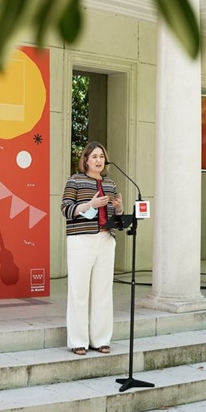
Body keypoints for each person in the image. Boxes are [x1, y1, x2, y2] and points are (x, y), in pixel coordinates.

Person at [61, 141, 123, 355]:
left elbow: (115, 219)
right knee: (79, 291)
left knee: (103, 291)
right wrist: (90, 205)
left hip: (106, 240)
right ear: (86, 160)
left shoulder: (110, 184)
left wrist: (119, 209)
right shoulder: (75, 181)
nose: (99, 160)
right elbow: (66, 210)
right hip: (81, 240)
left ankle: (101, 339)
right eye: (94, 156)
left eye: (101, 156)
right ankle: (78, 341)